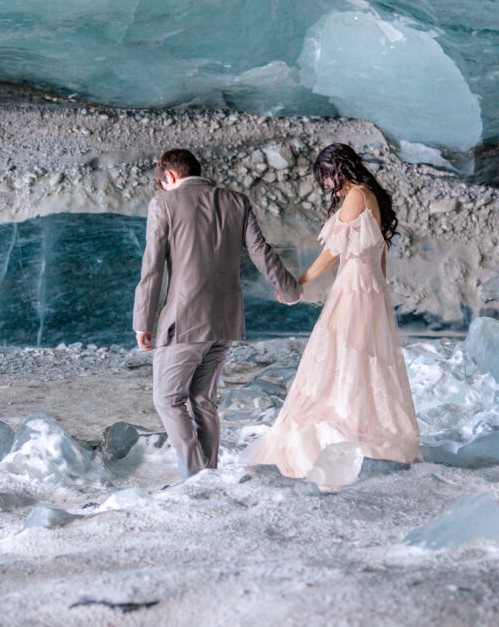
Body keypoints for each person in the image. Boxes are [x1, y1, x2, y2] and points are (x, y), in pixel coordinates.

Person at [242, 142, 420, 480]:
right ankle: (358, 426)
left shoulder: (357, 195)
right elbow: (379, 252)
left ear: (339, 169)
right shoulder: (369, 195)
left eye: (325, 176)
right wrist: (379, 291)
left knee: (341, 354)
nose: (325, 184)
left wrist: (299, 282)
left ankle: (345, 431)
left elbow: (334, 250)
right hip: (368, 287)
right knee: (357, 357)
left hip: (355, 288)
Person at [133, 147, 301, 479]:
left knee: (167, 400)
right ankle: (207, 478)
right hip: (226, 321)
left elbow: (152, 268)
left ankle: (196, 479)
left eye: (162, 182)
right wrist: (290, 289)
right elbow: (260, 251)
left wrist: (142, 321)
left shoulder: (163, 203)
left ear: (170, 176)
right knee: (202, 399)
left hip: (185, 320)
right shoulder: (237, 201)